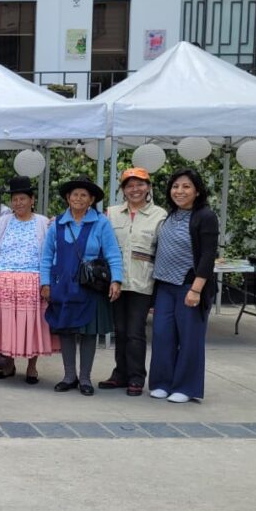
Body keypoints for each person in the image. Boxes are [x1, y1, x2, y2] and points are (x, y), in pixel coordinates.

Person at [40, 177, 123, 397]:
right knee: (66, 330)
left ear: (91, 199)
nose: (78, 199)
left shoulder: (101, 222)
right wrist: (45, 283)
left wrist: (116, 280)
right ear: (68, 198)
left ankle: (85, 378)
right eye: (74, 194)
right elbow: (46, 256)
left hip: (90, 287)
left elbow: (113, 253)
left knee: (88, 333)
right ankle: (69, 376)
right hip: (63, 285)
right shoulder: (57, 223)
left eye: (83, 195)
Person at [0, 177, 54, 384]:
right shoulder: (4, 221)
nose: (18, 203)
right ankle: (8, 364)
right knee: (6, 326)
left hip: (32, 281)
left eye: (22, 199)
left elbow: (51, 253)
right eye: (15, 199)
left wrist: (47, 281)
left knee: (32, 326)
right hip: (3, 280)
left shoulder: (43, 222)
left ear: (32, 200)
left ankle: (32, 367)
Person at [148, 168, 219, 403]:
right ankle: (161, 383)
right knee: (162, 336)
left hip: (189, 285)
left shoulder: (205, 216)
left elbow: (208, 255)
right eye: (176, 186)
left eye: (186, 186)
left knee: (189, 339)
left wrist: (196, 289)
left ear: (197, 191)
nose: (179, 191)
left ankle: (186, 387)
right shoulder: (171, 215)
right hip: (165, 286)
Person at [100, 168, 168, 396]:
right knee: (119, 330)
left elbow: (162, 253)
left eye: (140, 184)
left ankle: (137, 377)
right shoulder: (111, 213)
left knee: (135, 331)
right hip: (116, 282)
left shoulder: (160, 215)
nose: (135, 189)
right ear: (123, 190)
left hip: (143, 282)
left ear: (148, 187)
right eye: (129, 185)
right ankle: (120, 374)